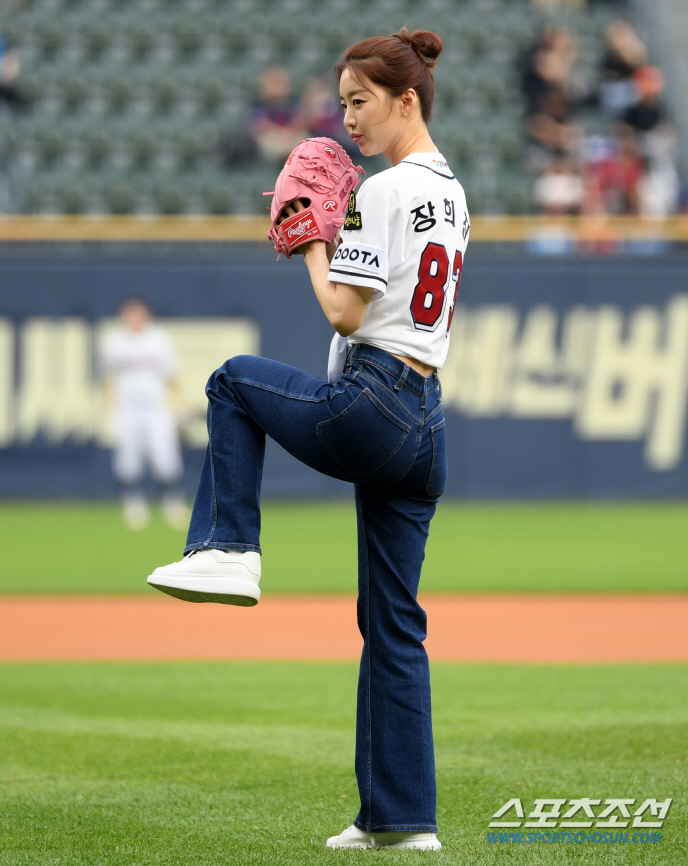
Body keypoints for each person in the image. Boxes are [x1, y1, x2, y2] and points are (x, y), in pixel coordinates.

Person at [147, 27, 468, 851]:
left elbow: (343, 311)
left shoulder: (384, 191)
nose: (347, 118)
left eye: (361, 101)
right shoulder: (453, 191)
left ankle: (228, 546)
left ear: (407, 99)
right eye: (343, 101)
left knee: (230, 381)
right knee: (394, 623)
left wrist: (311, 237)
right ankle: (401, 822)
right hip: (426, 422)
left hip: (372, 399)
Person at [99, 298, 189, 531]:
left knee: (165, 457)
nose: (133, 319)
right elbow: (107, 378)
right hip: (127, 408)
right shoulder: (114, 342)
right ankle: (133, 504)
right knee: (128, 459)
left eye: (138, 314)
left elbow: (171, 374)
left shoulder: (158, 339)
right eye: (129, 314)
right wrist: (106, 407)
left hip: (155, 408)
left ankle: (172, 503)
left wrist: (179, 403)